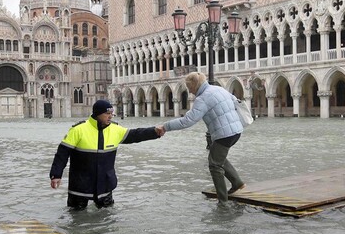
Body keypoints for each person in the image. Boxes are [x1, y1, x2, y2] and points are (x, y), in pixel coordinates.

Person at [50, 99, 163, 210]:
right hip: (80, 186)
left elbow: (136, 134)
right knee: (76, 219)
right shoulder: (78, 130)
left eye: (111, 113)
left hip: (105, 185)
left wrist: (154, 132)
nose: (110, 116)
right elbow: (62, 154)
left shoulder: (115, 129)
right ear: (97, 114)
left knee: (107, 220)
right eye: (107, 113)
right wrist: (56, 175)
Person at [158, 72, 245, 207]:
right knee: (218, 157)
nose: (189, 91)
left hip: (224, 134)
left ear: (194, 85)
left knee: (214, 165)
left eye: (189, 87)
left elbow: (188, 121)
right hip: (236, 130)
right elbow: (235, 101)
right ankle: (237, 183)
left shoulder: (203, 98)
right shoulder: (218, 88)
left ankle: (223, 201)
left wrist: (165, 126)